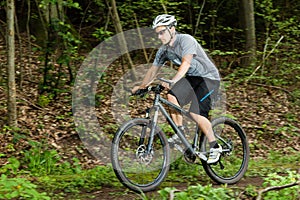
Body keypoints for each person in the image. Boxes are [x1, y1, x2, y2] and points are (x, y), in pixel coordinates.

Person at [132, 14, 222, 164]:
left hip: (209, 78)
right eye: (158, 33)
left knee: (195, 112)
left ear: (172, 29)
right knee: (171, 97)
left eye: (162, 32)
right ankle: (180, 132)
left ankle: (215, 146)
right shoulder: (164, 50)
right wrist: (142, 87)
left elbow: (186, 63)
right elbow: (153, 70)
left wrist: (173, 80)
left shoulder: (186, 40)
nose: (160, 36)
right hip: (192, 78)